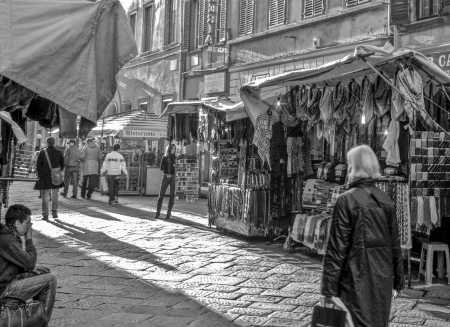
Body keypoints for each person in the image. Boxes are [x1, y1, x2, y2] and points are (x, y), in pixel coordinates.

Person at [321, 145, 404, 327]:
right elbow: (395, 245)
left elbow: (337, 249)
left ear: (354, 167)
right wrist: (398, 280)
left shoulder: (346, 200)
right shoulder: (385, 200)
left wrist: (328, 288)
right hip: (382, 281)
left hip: (355, 280)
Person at [0, 204, 57, 324]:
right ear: (17, 223)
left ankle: (36, 317)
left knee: (44, 272)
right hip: (4, 289)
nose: (30, 226)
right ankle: (42, 322)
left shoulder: (9, 236)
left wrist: (30, 271)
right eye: (27, 223)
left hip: (7, 282)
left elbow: (15, 266)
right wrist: (29, 239)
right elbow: (30, 262)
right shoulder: (7, 239)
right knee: (50, 280)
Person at [35, 137, 64, 220]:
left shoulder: (42, 152)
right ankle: (54, 213)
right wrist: (57, 172)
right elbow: (62, 165)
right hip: (56, 176)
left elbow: (38, 165)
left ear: (47, 143)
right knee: (55, 195)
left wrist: (40, 175)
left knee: (45, 196)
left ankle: (45, 214)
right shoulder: (59, 152)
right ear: (54, 143)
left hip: (45, 177)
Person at [156, 144, 176, 219]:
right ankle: (158, 213)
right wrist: (167, 173)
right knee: (161, 195)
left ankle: (168, 213)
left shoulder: (175, 157)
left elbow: (176, 168)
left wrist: (175, 167)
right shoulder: (164, 157)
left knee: (172, 195)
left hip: (173, 177)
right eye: (173, 149)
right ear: (169, 149)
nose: (174, 150)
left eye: (175, 149)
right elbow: (161, 167)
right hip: (166, 176)